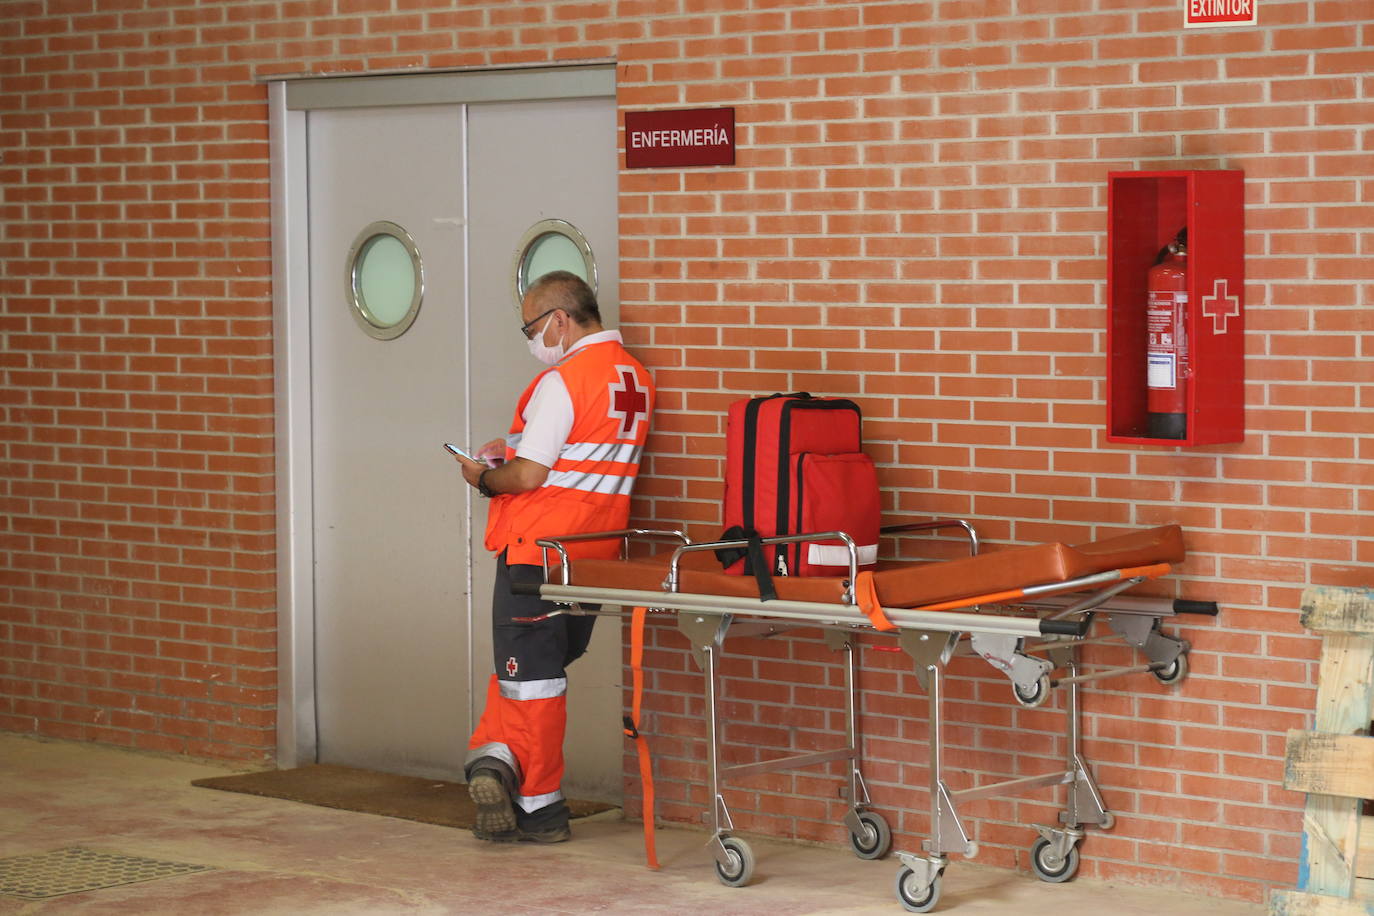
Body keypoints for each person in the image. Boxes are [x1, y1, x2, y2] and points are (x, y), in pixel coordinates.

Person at [450, 270, 655, 843]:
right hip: (592, 555)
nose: (532, 339)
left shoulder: (564, 381)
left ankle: (539, 806)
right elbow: (584, 455)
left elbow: (533, 476)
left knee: (531, 682)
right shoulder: (633, 376)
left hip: (534, 556)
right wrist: (510, 447)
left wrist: (485, 478)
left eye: (532, 326)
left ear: (560, 320)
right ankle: (492, 762)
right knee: (531, 674)